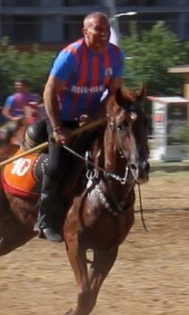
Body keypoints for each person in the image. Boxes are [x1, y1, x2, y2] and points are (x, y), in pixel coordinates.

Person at [33, 12, 125, 243]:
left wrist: (95, 115)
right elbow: (49, 92)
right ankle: (45, 221)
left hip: (93, 119)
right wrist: (57, 128)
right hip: (62, 119)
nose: (104, 34)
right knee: (56, 166)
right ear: (85, 32)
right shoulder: (70, 55)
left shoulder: (115, 56)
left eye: (106, 29)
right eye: (98, 29)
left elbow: (113, 93)